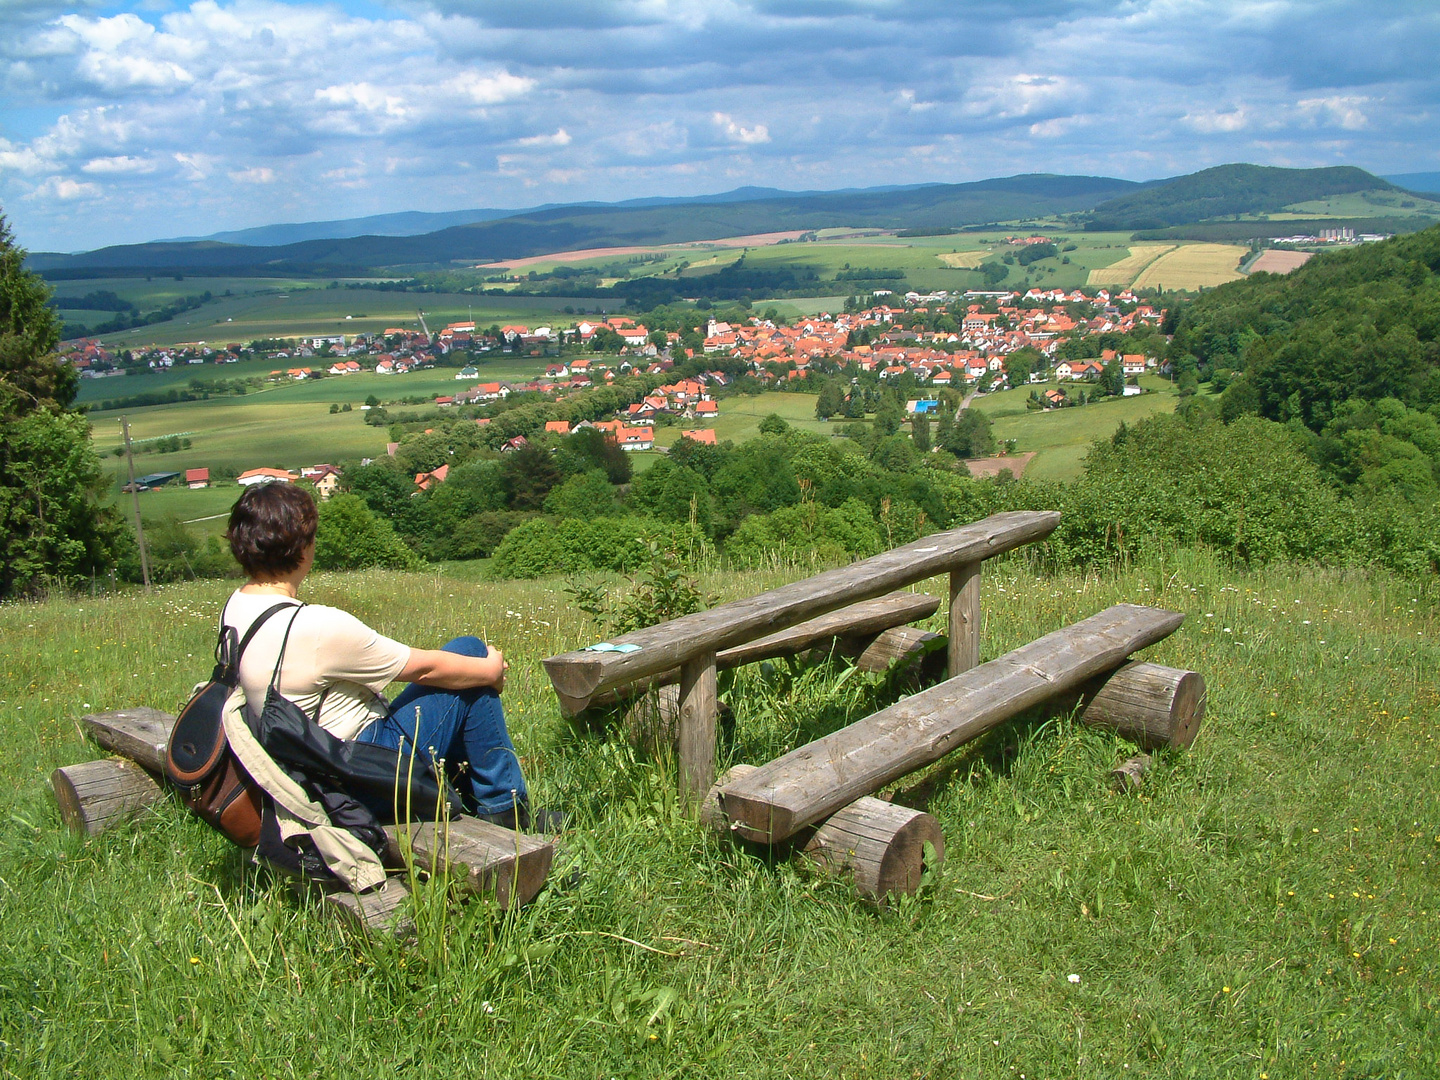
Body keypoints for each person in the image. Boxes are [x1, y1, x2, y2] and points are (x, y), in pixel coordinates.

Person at [221, 480, 553, 830]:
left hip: (308, 770)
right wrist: (489, 671)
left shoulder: (238, 607)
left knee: (464, 668)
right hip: (360, 776)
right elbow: (424, 669)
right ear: (302, 547)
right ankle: (507, 811)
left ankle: (478, 797)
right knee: (470, 655)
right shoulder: (315, 627)